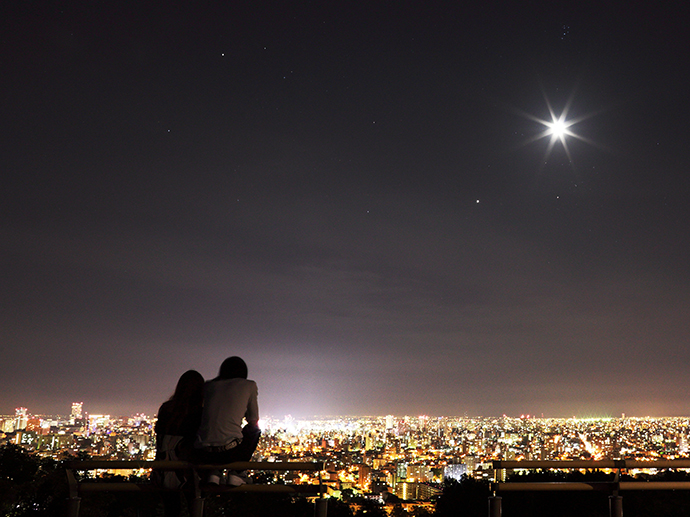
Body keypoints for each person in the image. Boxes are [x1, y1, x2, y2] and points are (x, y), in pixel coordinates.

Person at [195, 356, 260, 485]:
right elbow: (253, 420)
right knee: (254, 430)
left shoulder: (208, 385)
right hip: (230, 453)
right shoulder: (249, 385)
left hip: (203, 453)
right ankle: (237, 472)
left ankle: (214, 472)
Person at [154, 370, 204, 517]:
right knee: (196, 509)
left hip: (163, 468)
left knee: (171, 510)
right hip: (188, 471)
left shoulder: (166, 409)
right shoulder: (199, 413)